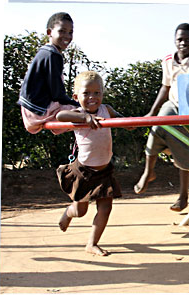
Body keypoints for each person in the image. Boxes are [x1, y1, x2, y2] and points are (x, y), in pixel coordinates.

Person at [134, 23, 189, 212]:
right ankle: (148, 171)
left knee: (182, 141)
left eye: (188, 40)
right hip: (173, 105)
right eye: (180, 40)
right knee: (157, 125)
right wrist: (151, 112)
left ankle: (184, 194)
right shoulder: (168, 60)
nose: (183, 43)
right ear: (174, 41)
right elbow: (165, 87)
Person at [56, 71, 124, 256]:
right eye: (86, 93)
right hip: (85, 171)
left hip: (105, 170)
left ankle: (92, 243)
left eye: (97, 93)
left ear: (102, 94)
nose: (92, 97)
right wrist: (85, 118)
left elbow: (121, 118)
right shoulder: (78, 113)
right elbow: (60, 116)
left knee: (106, 208)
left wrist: (130, 122)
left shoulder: (106, 110)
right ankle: (68, 213)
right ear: (76, 96)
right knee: (80, 211)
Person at [17, 12, 80, 135]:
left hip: (29, 110)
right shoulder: (52, 55)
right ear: (49, 32)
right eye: (62, 31)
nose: (67, 36)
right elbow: (58, 93)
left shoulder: (44, 52)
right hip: (38, 111)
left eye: (70, 32)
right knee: (87, 112)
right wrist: (77, 104)